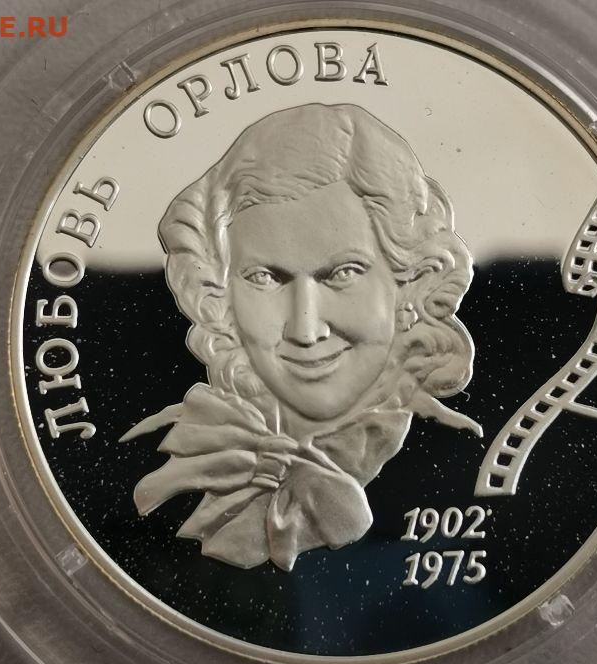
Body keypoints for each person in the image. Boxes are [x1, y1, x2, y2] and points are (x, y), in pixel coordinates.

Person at [121, 103, 480, 571]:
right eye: (265, 278)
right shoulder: (163, 445)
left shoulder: (465, 455)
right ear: (220, 299)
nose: (306, 331)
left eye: (343, 273)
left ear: (409, 283)